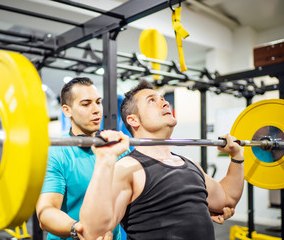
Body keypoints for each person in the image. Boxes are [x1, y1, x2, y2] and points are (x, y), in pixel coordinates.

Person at [79, 80, 244, 240]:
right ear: (133, 120)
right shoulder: (128, 168)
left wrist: (236, 157)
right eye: (152, 101)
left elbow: (226, 199)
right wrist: (105, 160)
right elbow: (92, 232)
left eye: (163, 100)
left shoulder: (189, 163)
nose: (165, 104)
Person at [36, 77, 122, 240]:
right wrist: (79, 230)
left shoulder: (115, 149)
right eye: (86, 104)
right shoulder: (57, 153)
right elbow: (46, 212)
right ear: (67, 111)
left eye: (98, 102)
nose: (96, 109)